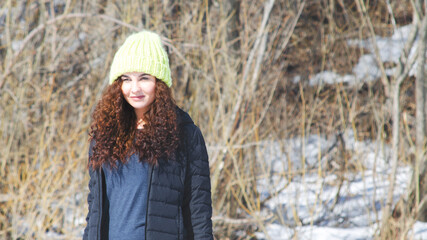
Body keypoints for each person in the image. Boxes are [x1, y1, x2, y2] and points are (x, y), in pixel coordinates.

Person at [83, 30, 213, 240]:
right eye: (126, 79)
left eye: (144, 78)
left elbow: (198, 211)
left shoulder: (185, 135)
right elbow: (95, 210)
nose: (134, 88)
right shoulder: (104, 135)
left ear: (159, 83)